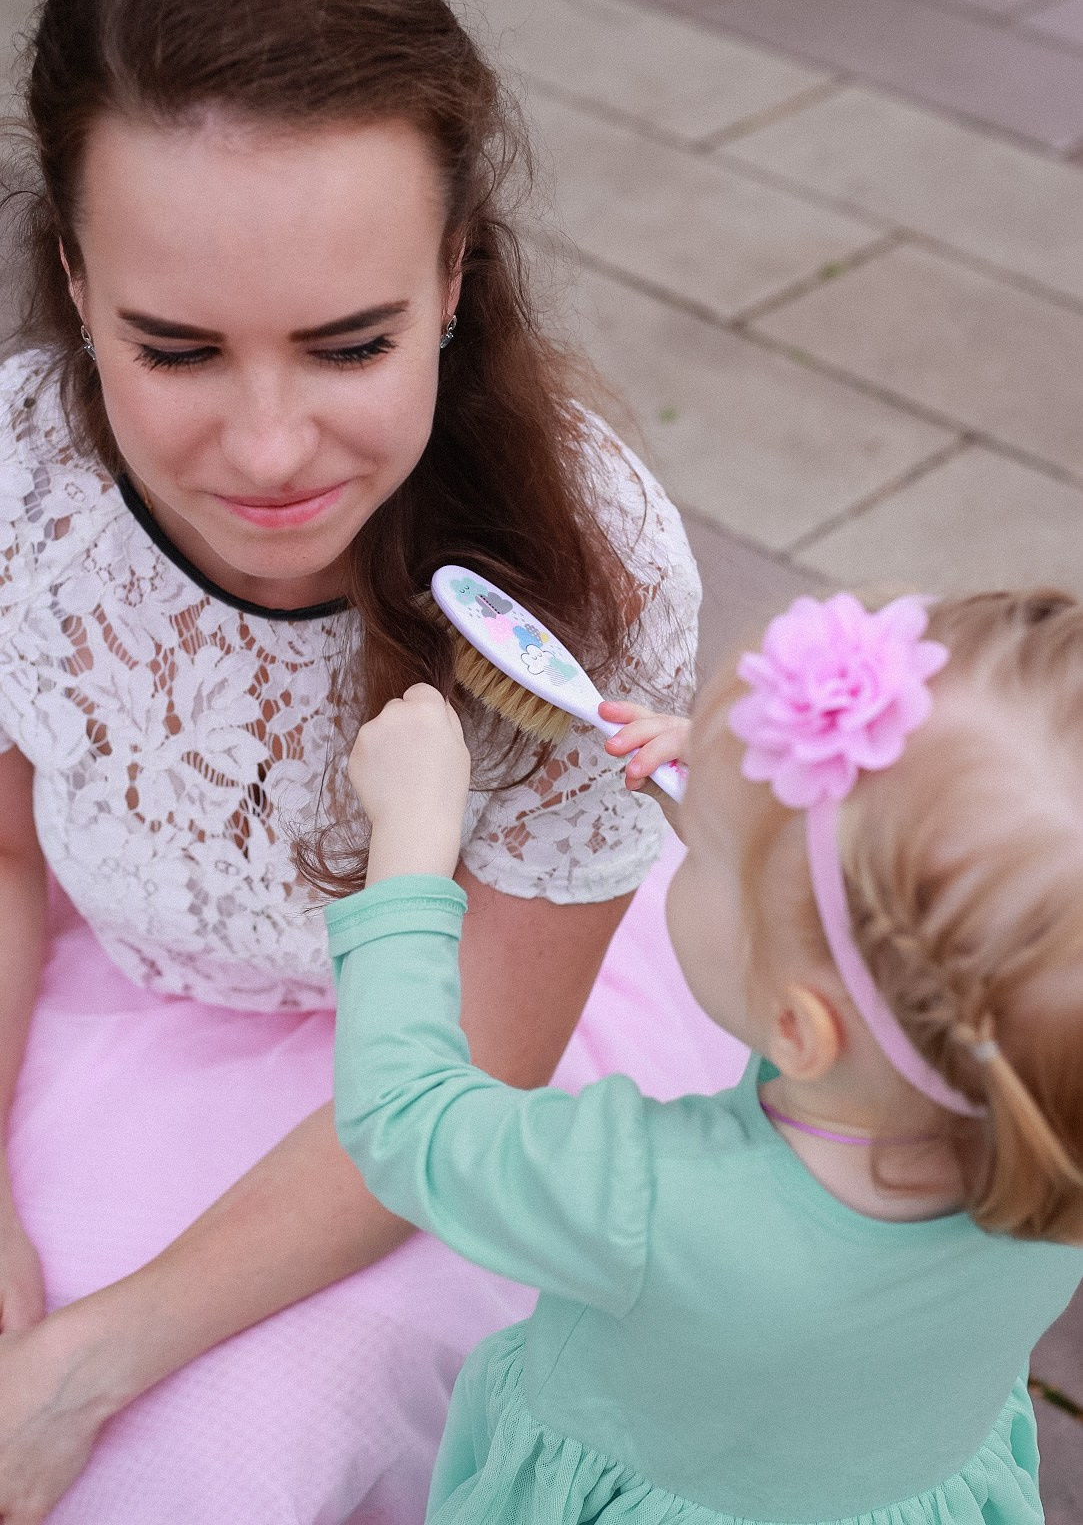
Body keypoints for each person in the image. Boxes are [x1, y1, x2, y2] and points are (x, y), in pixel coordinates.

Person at [0, 0, 747, 1519]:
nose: (270, 451)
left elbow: (470, 1069)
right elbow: (1, 848)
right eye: (176, 348)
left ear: (455, 272)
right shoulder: (21, 475)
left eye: (348, 342)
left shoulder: (587, 572)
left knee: (195, 1471)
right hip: (92, 1007)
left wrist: (87, 1360)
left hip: (439, 1095)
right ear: (72, 272)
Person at [330, 588, 1083, 1524]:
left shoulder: (651, 1198)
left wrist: (407, 848)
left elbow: (407, 1124)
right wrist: (759, 823)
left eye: (710, 858)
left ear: (801, 1031)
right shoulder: (1045, 1109)